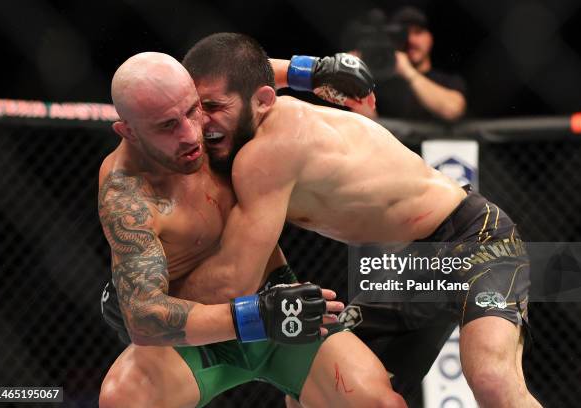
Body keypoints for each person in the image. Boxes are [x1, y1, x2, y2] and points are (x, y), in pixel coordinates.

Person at [170, 32, 540, 407]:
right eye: (194, 108)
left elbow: (236, 281)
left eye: (213, 107)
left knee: (493, 380)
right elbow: (239, 76)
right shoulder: (244, 115)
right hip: (410, 263)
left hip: (474, 237)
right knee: (319, 390)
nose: (201, 121)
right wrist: (306, 70)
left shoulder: (267, 153)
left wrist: (151, 303)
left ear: (262, 101)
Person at [98, 50, 404, 408]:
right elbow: (144, 320)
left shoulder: (208, 122)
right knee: (123, 400)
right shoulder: (127, 194)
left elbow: (234, 76)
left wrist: (309, 72)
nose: (191, 134)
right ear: (128, 131)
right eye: (167, 125)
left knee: (381, 404)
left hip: (275, 300)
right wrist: (254, 316)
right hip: (199, 336)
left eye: (193, 109)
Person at [346, 7, 467, 122]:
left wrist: (408, 71)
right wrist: (358, 79)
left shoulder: (447, 80)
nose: (411, 40)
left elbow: (453, 110)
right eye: (403, 35)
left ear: (430, 38)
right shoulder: (380, 83)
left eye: (418, 32)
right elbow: (365, 125)